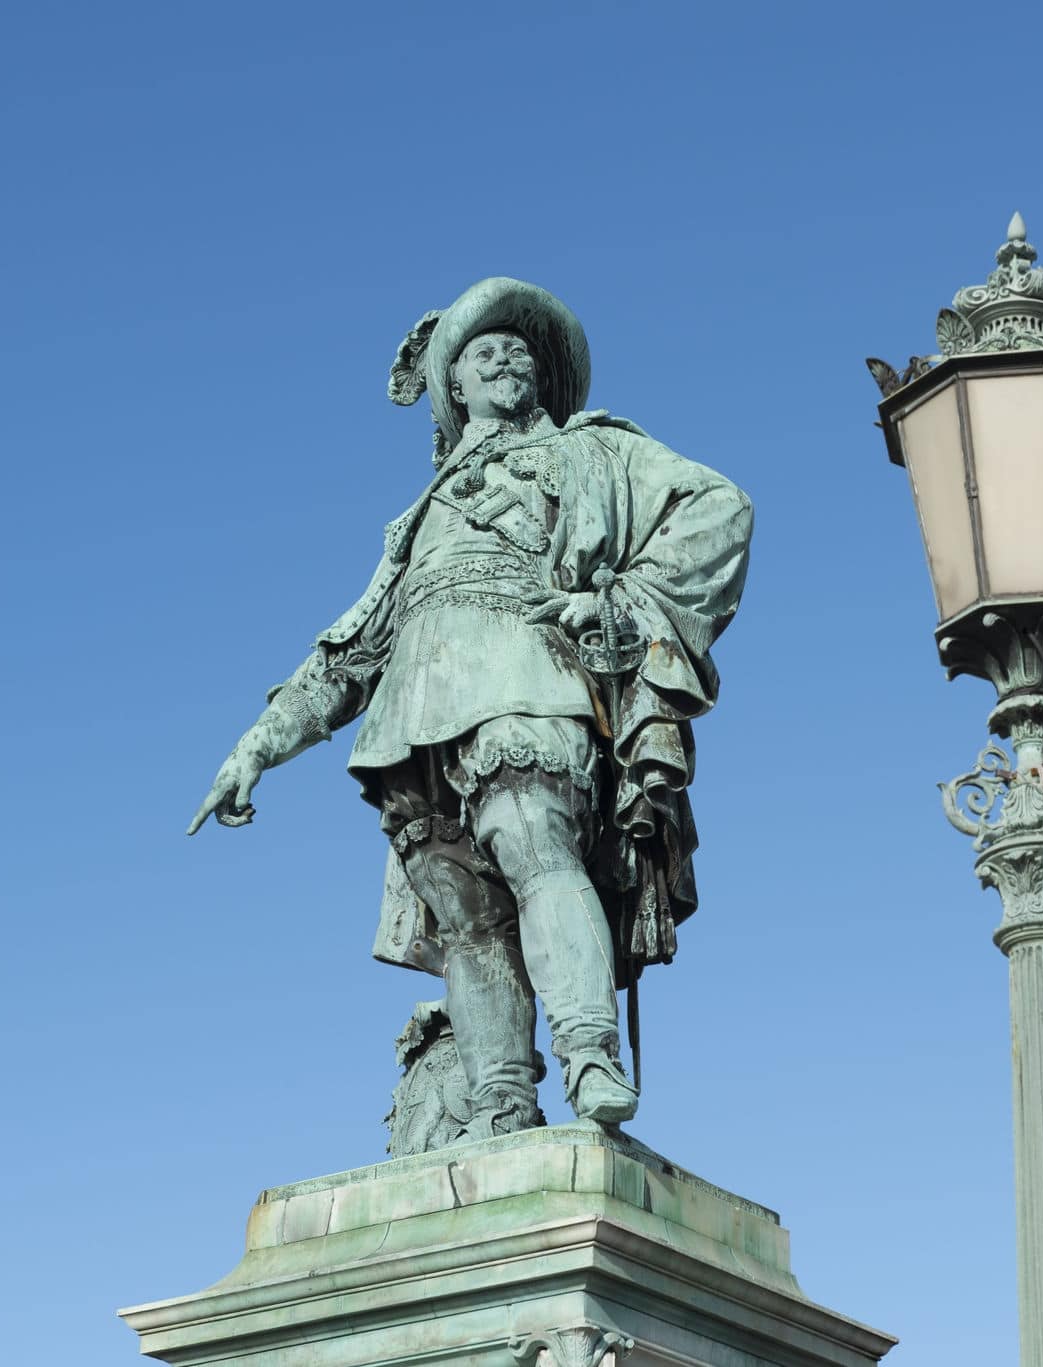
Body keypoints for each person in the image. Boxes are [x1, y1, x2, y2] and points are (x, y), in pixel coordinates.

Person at [188, 277, 752, 1138]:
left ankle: (590, 1052)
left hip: (531, 679)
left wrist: (623, 602)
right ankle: (500, 1103)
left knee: (536, 845)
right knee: (469, 921)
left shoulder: (593, 451)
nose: (505, 357)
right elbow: (352, 652)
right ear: (453, 384)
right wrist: (257, 746)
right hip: (415, 717)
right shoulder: (417, 519)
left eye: (519, 348)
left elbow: (720, 508)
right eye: (483, 349)